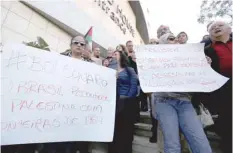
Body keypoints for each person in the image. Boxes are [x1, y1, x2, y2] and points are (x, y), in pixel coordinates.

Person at [153, 32, 212, 153]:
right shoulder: (154, 59)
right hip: (164, 102)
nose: (175, 40)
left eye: (176, 39)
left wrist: (205, 67)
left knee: (200, 141)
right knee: (172, 143)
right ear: (162, 43)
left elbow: (199, 82)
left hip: (185, 102)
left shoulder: (189, 57)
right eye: (170, 38)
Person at [41, 35, 90, 153]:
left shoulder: (90, 67)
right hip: (56, 106)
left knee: (68, 145)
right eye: (76, 42)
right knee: (51, 144)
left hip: (74, 109)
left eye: (82, 44)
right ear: (71, 45)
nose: (79, 45)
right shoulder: (58, 58)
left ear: (84, 48)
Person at [204, 21, 232, 153]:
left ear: (229, 29)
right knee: (227, 118)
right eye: (212, 28)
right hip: (224, 87)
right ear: (209, 35)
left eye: (220, 25)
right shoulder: (206, 50)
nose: (216, 27)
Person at [108, 50, 138, 153]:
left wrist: (127, 98)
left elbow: (134, 85)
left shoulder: (129, 70)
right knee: (115, 128)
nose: (113, 55)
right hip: (114, 102)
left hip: (126, 102)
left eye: (115, 54)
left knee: (126, 128)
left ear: (121, 57)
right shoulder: (111, 70)